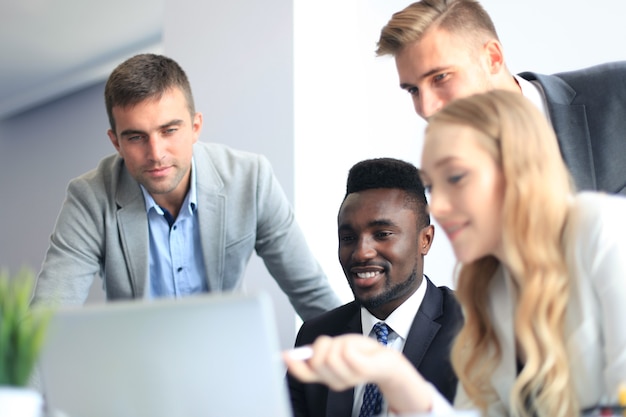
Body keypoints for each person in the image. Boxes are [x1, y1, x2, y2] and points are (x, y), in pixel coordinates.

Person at [283, 90, 626, 417]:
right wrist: (391, 373)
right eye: (434, 186)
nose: (440, 206)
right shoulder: (490, 288)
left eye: (457, 177)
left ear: (518, 170)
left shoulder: (602, 227)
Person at [31, 53, 341, 320]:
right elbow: (46, 319)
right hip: (138, 373)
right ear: (116, 142)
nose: (156, 154)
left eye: (169, 130)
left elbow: (313, 296)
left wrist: (373, 379)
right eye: (136, 137)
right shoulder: (90, 197)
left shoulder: (251, 179)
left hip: (226, 364)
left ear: (195, 127)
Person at [376, 0, 626, 196]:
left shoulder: (618, 90)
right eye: (413, 90)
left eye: (440, 77)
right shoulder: (454, 176)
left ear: (492, 58)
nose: (426, 108)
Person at [287, 158, 463, 417]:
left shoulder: (473, 326)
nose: (361, 252)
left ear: (425, 240)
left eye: (382, 234)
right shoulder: (316, 334)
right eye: (348, 238)